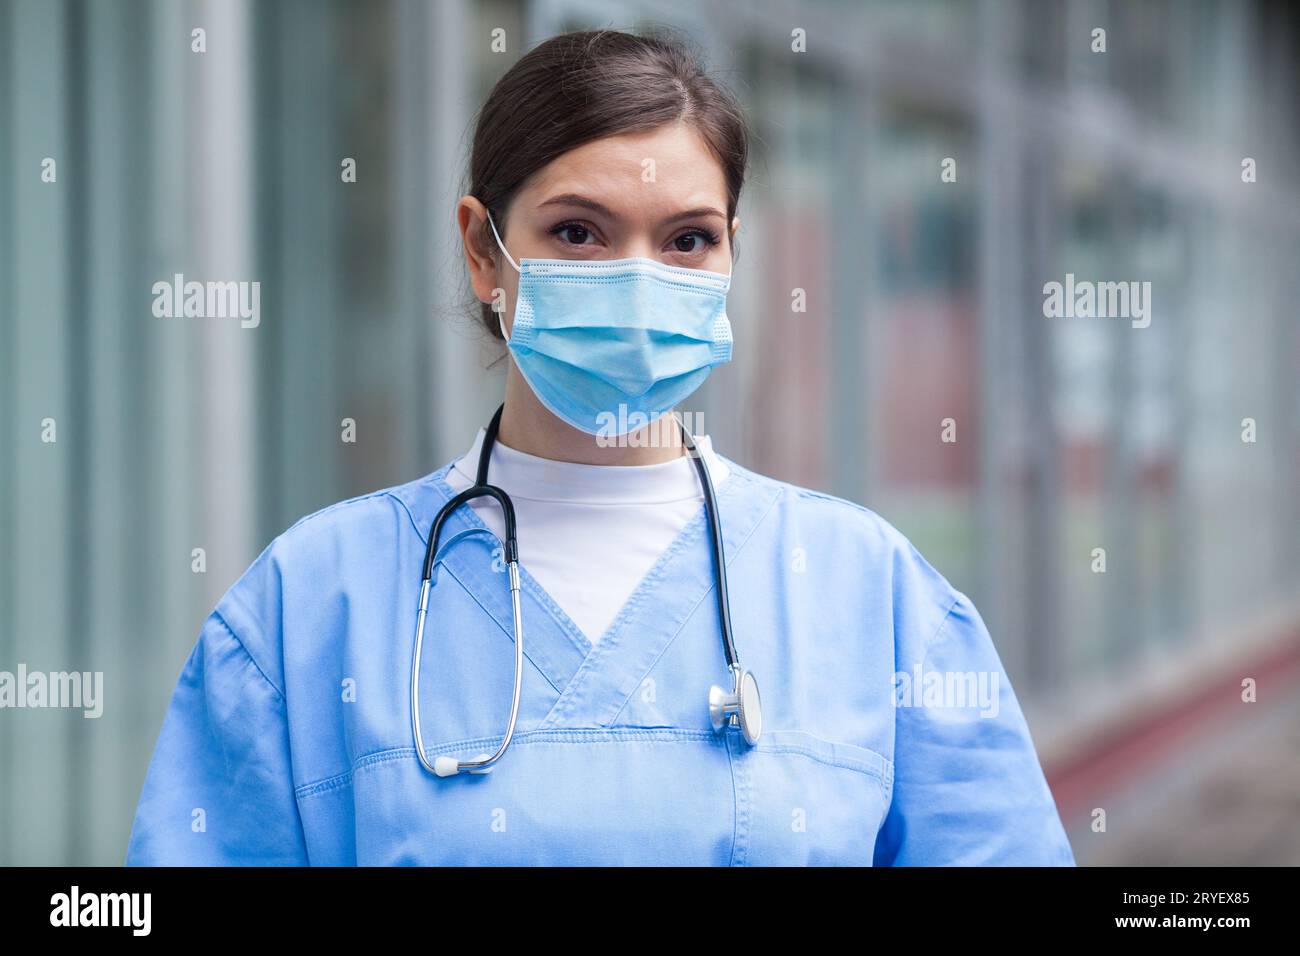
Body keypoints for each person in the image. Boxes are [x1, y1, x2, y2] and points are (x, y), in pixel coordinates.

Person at [126, 27, 1075, 866]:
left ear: (735, 252)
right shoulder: (311, 606)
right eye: (578, 233)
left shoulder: (869, 594)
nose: (635, 282)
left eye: (687, 241)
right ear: (482, 251)